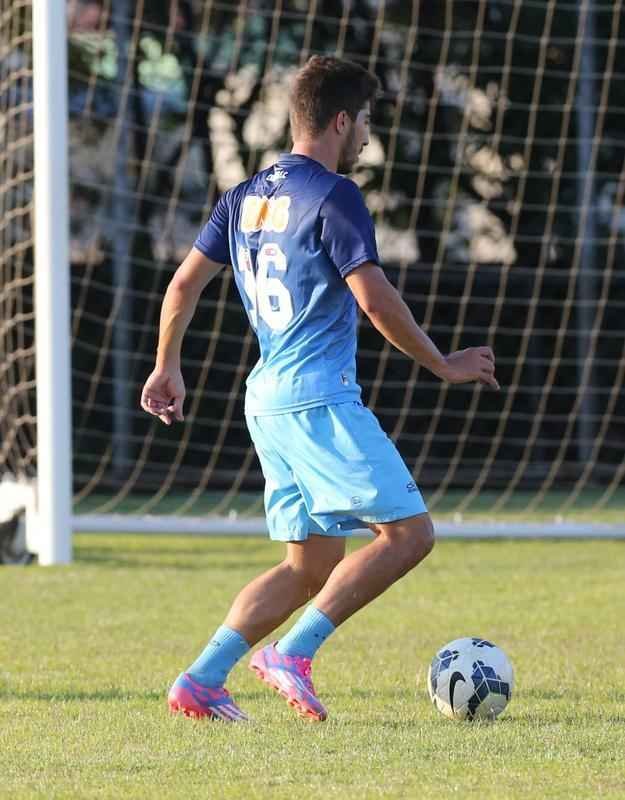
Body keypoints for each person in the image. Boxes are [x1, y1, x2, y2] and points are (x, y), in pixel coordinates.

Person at [140, 56, 499, 723]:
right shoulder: (334, 195)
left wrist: (167, 362)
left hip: (266, 401)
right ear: (340, 120)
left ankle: (201, 679)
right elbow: (375, 298)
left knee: (309, 564)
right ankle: (292, 653)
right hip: (316, 399)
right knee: (409, 535)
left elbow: (184, 283)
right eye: (363, 121)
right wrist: (442, 363)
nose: (366, 135)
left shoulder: (241, 196)